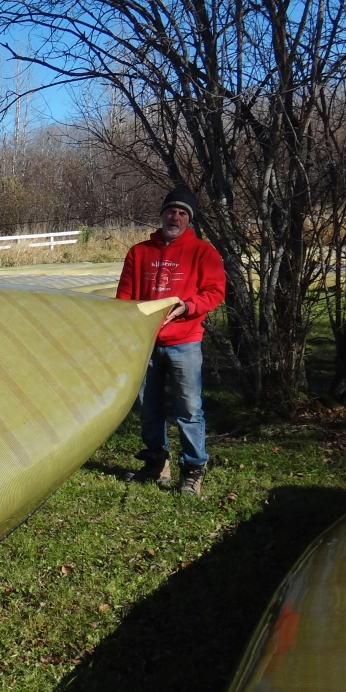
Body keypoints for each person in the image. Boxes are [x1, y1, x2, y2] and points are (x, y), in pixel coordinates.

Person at [116, 187, 226, 496]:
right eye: (170, 211)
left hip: (185, 342)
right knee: (148, 406)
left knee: (188, 408)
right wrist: (129, 330)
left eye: (181, 213)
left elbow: (215, 291)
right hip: (146, 343)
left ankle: (192, 470)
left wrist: (188, 306)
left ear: (189, 220)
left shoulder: (203, 252)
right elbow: (124, 297)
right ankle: (156, 462)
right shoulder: (139, 253)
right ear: (161, 214)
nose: (174, 217)